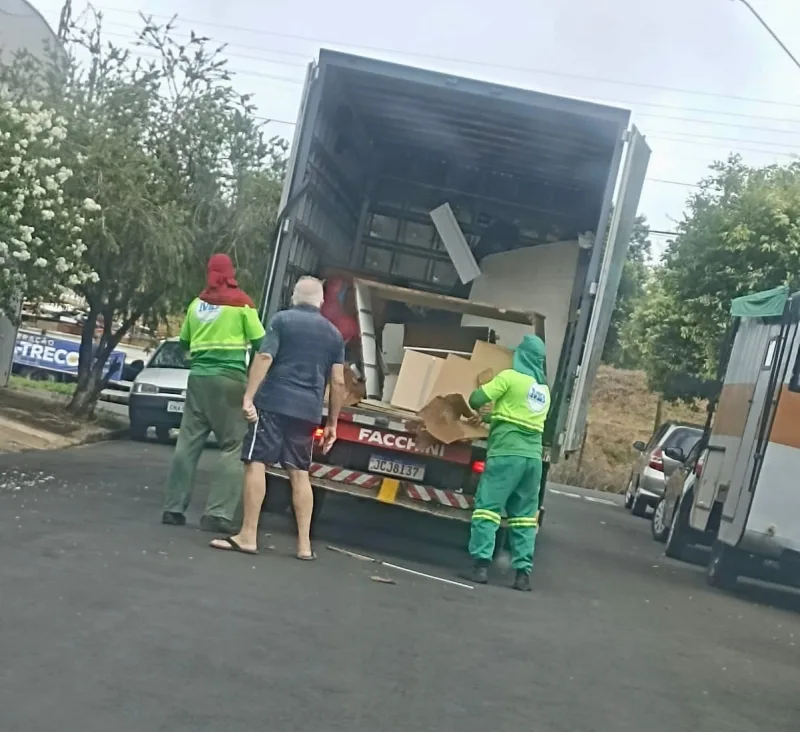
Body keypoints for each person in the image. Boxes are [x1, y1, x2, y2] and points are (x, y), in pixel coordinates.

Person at [210, 276, 346, 559]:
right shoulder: (334, 334)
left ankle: (248, 535)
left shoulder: (282, 320)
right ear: (320, 301)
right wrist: (332, 422)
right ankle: (305, 545)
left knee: (256, 461)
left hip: (273, 403)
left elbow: (264, 358)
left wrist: (249, 396)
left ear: (294, 297)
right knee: (299, 472)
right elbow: (338, 381)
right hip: (307, 411)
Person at [162, 253, 265, 533]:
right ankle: (217, 514)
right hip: (230, 380)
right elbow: (261, 345)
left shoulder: (196, 304)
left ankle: (173, 508)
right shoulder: (243, 304)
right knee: (233, 445)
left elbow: (183, 343)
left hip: (198, 379)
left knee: (187, 443)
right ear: (231, 273)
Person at [465, 334, 551, 592]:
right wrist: (492, 418)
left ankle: (481, 566)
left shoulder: (508, 377)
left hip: (506, 455)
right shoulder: (543, 391)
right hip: (532, 461)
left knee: (487, 509)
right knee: (525, 517)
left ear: (521, 356)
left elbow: (476, 399)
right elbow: (517, 416)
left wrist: (481, 400)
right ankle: (522, 574)